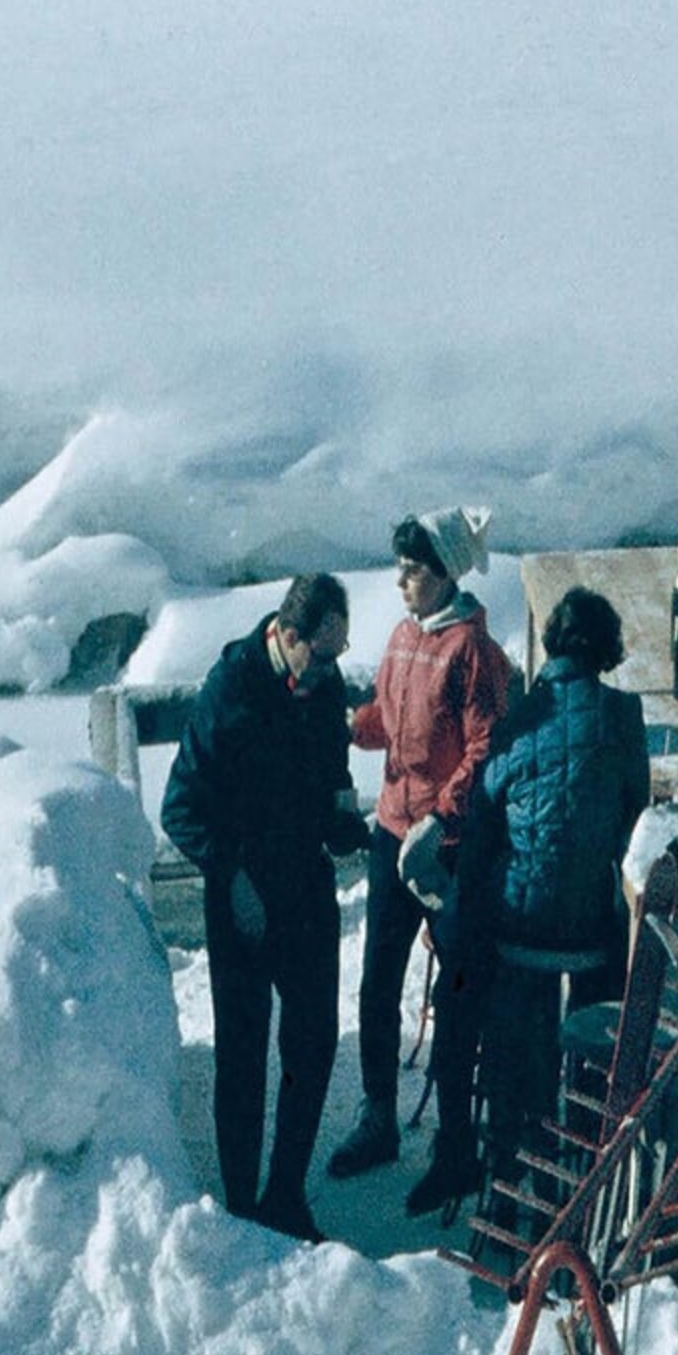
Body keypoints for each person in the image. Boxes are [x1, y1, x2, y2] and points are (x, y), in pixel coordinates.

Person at [160, 573, 367, 1244]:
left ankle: (284, 1193)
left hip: (305, 885)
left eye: (339, 653)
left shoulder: (324, 685)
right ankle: (242, 1204)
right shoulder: (231, 688)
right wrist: (232, 874)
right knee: (242, 1057)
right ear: (286, 635)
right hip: (243, 893)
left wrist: (342, 815)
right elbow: (180, 810)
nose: (332, 668)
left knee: (311, 1045)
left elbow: (334, 773)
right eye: (323, 653)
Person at [328, 506, 513, 1203]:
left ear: (445, 573)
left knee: (456, 992)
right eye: (401, 567)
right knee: (378, 981)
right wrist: (350, 726)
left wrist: (445, 817)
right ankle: (378, 1118)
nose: (401, 579)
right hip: (390, 830)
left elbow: (484, 747)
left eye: (414, 569)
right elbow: (388, 716)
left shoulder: (472, 650)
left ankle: (457, 1143)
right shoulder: (405, 635)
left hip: (443, 847)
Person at [448, 586, 650, 1208]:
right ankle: (587, 1149)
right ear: (608, 649)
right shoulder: (622, 716)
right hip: (587, 929)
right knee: (608, 966)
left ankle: (513, 1160)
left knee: (516, 1023)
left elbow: (483, 821)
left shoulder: (518, 719)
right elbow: (634, 816)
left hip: (519, 928)